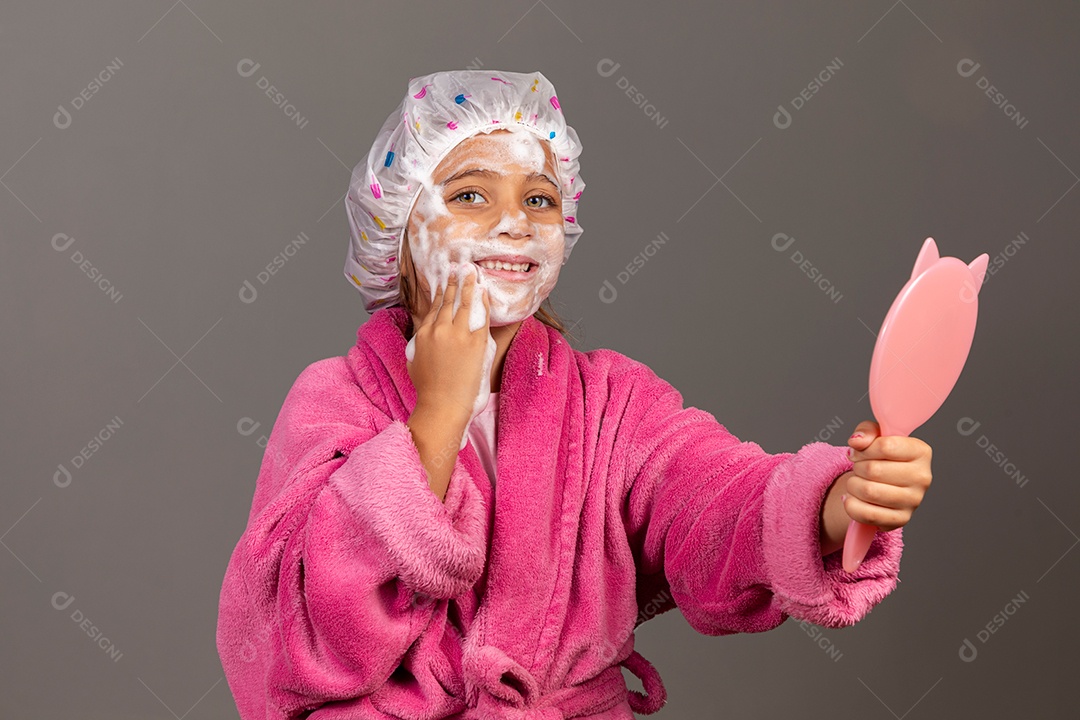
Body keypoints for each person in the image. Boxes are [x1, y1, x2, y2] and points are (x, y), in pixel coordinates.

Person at [216, 69, 933, 719]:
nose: (515, 221)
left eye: (539, 198)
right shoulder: (336, 399)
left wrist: (835, 505)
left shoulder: (610, 404)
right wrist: (437, 417)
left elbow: (712, 498)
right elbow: (297, 628)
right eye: (470, 195)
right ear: (398, 231)